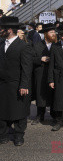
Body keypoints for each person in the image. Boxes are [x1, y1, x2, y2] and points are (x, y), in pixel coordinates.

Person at [0, 16, 33, 146]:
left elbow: (26, 67)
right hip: (2, 84)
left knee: (19, 111)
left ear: (9, 30)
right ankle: (3, 134)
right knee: (2, 110)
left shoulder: (23, 46)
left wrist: (24, 84)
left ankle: (19, 135)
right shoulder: (1, 43)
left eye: (1, 28)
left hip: (17, 84)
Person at [31, 23, 56, 125]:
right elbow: (30, 59)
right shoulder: (37, 45)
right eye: (51, 32)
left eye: (54, 32)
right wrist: (40, 59)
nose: (54, 34)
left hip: (53, 74)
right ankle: (40, 115)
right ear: (45, 34)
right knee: (40, 94)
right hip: (40, 73)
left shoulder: (57, 45)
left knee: (54, 94)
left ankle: (55, 115)